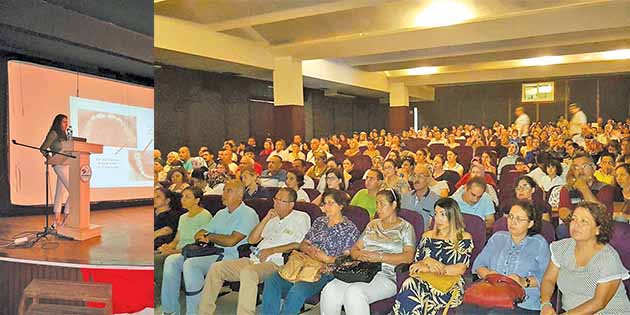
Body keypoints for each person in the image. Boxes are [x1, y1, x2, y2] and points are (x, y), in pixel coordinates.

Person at [197, 188, 311, 315]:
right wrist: (266, 218)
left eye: (281, 201)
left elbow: (300, 243)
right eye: (276, 199)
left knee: (248, 273)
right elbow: (252, 240)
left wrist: (272, 250)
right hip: (254, 259)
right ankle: (204, 312)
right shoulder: (272, 219)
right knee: (216, 268)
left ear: (291, 204)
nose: (276, 203)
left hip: (277, 263)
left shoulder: (301, 217)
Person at [160, 180, 259, 315]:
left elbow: (231, 241)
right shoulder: (221, 213)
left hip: (232, 256)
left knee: (191, 264)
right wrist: (207, 235)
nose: (223, 194)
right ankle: (170, 310)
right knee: (171, 260)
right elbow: (200, 233)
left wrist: (210, 236)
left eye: (228, 191)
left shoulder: (248, 213)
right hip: (212, 251)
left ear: (240, 195)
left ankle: (195, 312)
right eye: (224, 190)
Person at [261, 189, 360, 315]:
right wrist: (309, 249)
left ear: (341, 206)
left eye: (331, 203)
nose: (326, 207)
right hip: (303, 264)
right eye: (324, 203)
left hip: (325, 271)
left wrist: (327, 259)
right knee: (272, 280)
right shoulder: (319, 222)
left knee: (298, 290)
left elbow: (349, 259)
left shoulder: (349, 229)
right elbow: (302, 244)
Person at [320, 189, 416, 315]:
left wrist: (379, 257)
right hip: (363, 271)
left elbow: (408, 257)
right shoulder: (372, 225)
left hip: (387, 275)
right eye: (377, 204)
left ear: (393, 205)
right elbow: (355, 249)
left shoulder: (406, 228)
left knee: (354, 293)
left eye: (382, 204)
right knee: (329, 290)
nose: (378, 208)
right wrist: (359, 255)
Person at [540, 202, 630, 315]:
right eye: (574, 219)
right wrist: (545, 304)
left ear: (598, 229)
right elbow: (549, 280)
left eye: (584, 221)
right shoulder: (562, 247)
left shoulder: (607, 258)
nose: (576, 225)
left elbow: (599, 303)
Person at [462, 201, 550, 314]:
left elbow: (547, 278)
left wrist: (524, 281)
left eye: (519, 219)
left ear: (530, 223)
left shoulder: (539, 243)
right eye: (511, 217)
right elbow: (478, 265)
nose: (513, 222)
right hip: (491, 295)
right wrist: (489, 275)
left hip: (523, 302)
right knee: (465, 309)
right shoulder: (498, 238)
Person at [392, 198, 473, 315]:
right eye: (436, 214)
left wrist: (431, 267)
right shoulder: (427, 236)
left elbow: (460, 268)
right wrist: (428, 261)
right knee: (411, 285)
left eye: (442, 214)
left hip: (449, 284)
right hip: (424, 280)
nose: (437, 218)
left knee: (412, 287)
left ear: (452, 216)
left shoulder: (463, 237)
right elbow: (416, 264)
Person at [155, 186, 212, 300]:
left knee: (157, 261)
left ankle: (164, 297)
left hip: (192, 252)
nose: (183, 200)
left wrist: (172, 251)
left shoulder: (205, 216)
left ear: (197, 200)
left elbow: (199, 244)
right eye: (182, 196)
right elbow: (176, 240)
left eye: (187, 197)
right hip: (178, 250)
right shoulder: (183, 217)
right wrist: (167, 247)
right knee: (154, 256)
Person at [40, 114, 71, 226]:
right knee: (75, 190)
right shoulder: (54, 133)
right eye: (64, 122)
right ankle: (66, 218)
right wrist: (50, 159)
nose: (66, 124)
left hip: (67, 164)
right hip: (58, 164)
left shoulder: (65, 135)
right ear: (58, 122)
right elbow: (43, 148)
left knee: (60, 192)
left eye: (67, 122)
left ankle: (56, 220)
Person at [402, 164, 441, 229]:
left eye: (420, 176)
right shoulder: (405, 197)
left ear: (428, 179)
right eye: (414, 175)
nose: (416, 179)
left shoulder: (436, 201)